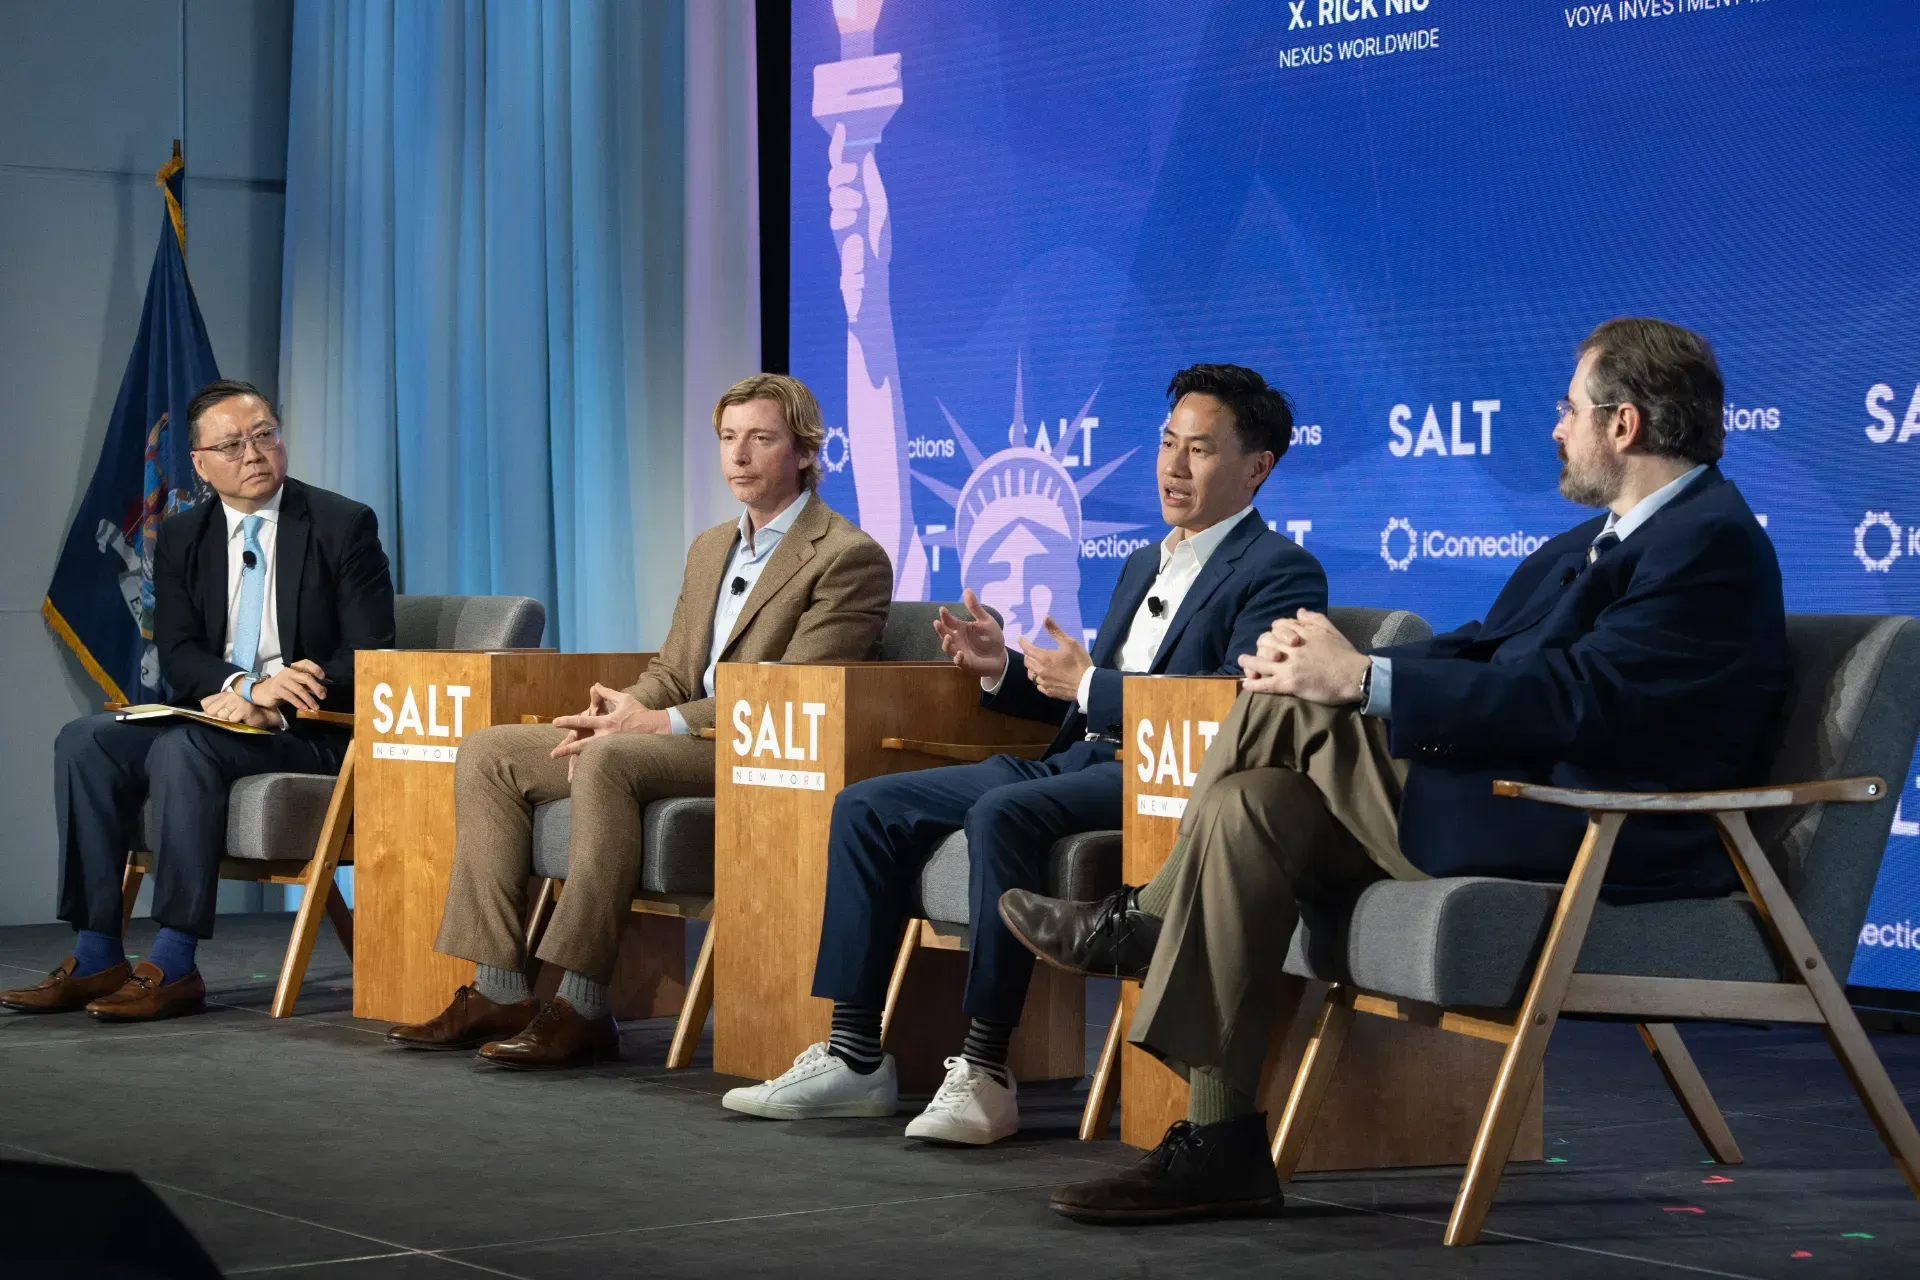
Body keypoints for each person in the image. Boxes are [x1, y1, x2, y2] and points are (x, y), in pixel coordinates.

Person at [1001, 318, 1790, 1222]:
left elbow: (1578, 700)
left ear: (1624, 426)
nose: (1555, 429)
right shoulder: (1594, 543)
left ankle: (1144, 916)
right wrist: (1354, 665)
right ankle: (1219, 1147)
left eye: (1569, 409)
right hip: (1518, 799)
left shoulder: (1707, 544)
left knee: (1293, 697)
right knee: (1250, 807)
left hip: (1597, 829)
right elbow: (1481, 652)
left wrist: (1362, 681)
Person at [723, 364, 1329, 1144]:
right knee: (868, 804)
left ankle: (984, 1069)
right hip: (1077, 760)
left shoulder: (1280, 570)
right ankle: (853, 1055)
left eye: (1200, 451)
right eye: (1167, 444)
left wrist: (1094, 685)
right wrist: (1005, 668)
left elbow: (1225, 707)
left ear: (1257, 467)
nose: (1173, 468)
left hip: (1155, 782)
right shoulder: (1146, 562)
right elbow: (1082, 695)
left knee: (1000, 811)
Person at [388, 374, 893, 1069]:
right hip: (680, 733)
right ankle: (500, 988)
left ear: (806, 452)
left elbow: (791, 696)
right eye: (727, 439)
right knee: (490, 751)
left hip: (761, 753)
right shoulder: (712, 546)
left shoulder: (846, 556)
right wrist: (621, 710)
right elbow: (673, 668)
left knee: (610, 760)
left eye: (761, 439)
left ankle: (584, 1004)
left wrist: (660, 727)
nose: (739, 456)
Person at [2, 380, 395, 1021]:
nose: (254, 453)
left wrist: (276, 700)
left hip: (310, 729)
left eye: (265, 434)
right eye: (233, 444)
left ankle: (175, 961)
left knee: (185, 748)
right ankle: (97, 950)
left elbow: (373, 651)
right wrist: (242, 687)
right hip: (223, 713)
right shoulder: (184, 534)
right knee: (86, 739)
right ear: (201, 464)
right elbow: (180, 654)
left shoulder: (341, 524)